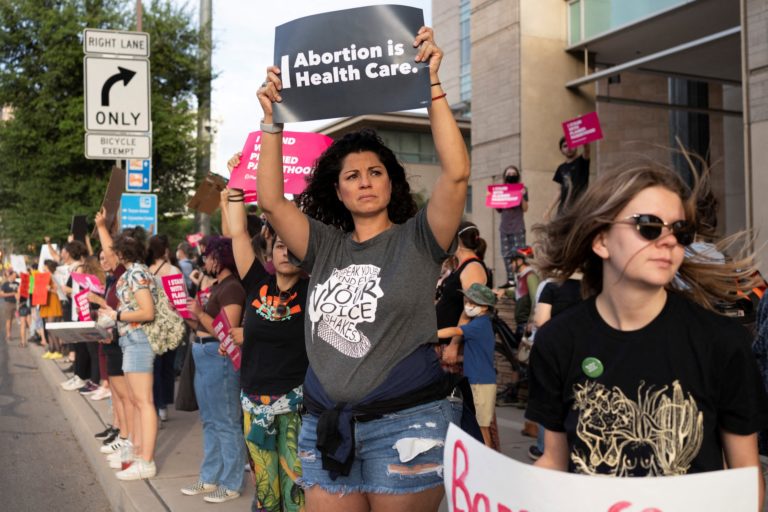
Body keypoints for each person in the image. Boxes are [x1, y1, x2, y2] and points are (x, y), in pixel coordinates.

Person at [255, 26, 469, 512]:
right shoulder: (325, 246)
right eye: (353, 175)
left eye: (376, 172)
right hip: (325, 424)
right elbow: (270, 201)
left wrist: (432, 84)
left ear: (392, 184)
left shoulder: (420, 237)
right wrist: (272, 122)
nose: (365, 182)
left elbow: (456, 173)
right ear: (339, 191)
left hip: (407, 424)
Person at [526, 165, 768, 506]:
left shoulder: (721, 342)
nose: (668, 240)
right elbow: (555, 459)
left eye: (680, 231)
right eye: (648, 226)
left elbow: (744, 472)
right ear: (601, 240)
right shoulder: (558, 343)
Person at [226, 158, 310, 512]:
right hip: (253, 402)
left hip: (297, 404)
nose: (286, 251)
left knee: (296, 491)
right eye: (279, 246)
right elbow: (238, 233)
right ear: (271, 253)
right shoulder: (256, 282)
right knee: (266, 491)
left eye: (292, 246)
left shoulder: (314, 289)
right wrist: (234, 187)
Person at [182, 236, 247, 504]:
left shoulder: (232, 288)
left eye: (209, 255)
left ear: (221, 258)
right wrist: (190, 315)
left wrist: (199, 313)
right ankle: (210, 477)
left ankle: (231, 483)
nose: (205, 260)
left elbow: (228, 332)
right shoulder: (220, 285)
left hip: (217, 356)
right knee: (210, 420)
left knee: (226, 422)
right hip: (203, 353)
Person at [98, 231, 158, 481]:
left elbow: (147, 311)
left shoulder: (136, 274)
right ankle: (138, 453)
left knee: (143, 402)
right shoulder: (138, 272)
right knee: (137, 401)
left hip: (138, 340)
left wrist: (117, 316)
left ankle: (146, 460)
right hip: (132, 340)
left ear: (121, 253)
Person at [437, 283, 498, 447]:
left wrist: (429, 334)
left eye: (473, 302)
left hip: (481, 383)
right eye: (467, 301)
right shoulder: (482, 324)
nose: (468, 306)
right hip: (479, 380)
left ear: (485, 307)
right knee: (479, 426)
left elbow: (454, 331)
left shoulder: (479, 325)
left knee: (482, 429)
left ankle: (487, 464)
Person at [147, 234, 181, 422]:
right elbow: (179, 299)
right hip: (172, 324)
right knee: (168, 366)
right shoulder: (173, 270)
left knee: (155, 366)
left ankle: (156, 404)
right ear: (166, 249)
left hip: (152, 324)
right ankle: (164, 404)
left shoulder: (146, 271)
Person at [496, 165, 528, 286]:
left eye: (513, 173)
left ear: (517, 176)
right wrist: (493, 198)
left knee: (519, 253)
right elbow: (499, 210)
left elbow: (525, 208)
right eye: (508, 174)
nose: (511, 176)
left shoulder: (523, 189)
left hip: (518, 227)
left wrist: (522, 196)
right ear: (505, 177)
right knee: (506, 254)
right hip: (504, 228)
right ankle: (510, 281)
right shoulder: (501, 190)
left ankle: (521, 279)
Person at [549, 137, 589, 217]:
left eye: (572, 144)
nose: (569, 148)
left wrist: (584, 140)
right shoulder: (561, 168)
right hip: (563, 210)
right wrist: (549, 209)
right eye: (565, 146)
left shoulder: (582, 161)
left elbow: (587, 149)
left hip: (579, 208)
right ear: (561, 150)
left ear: (576, 146)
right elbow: (559, 191)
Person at [1, 269, 19, 343]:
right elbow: (1, 294)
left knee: (17, 319)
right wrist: (12, 294)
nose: (15, 277)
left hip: (17, 304)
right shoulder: (5, 284)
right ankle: (8, 335)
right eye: (14, 275)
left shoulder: (18, 283)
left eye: (16, 276)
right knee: (9, 320)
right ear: (11, 275)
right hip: (8, 303)